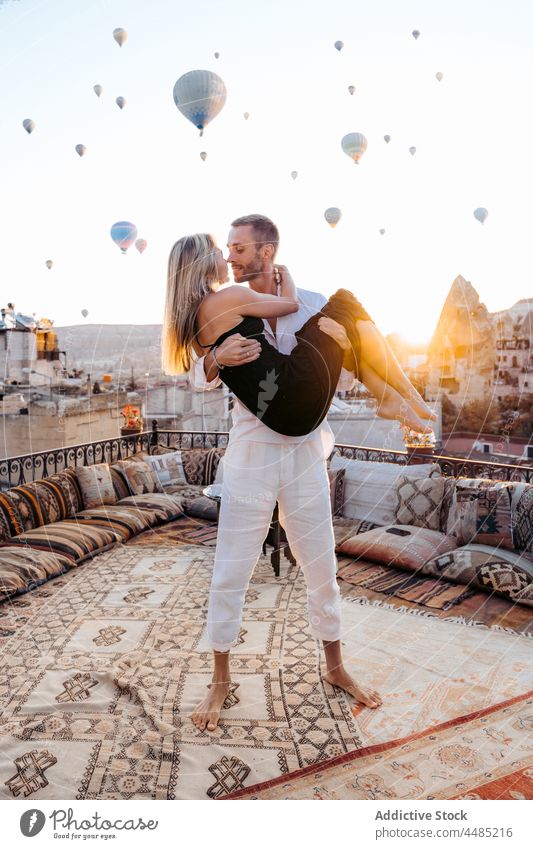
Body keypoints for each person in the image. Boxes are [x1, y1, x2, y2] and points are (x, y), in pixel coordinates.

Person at [162, 215, 435, 732]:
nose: (230, 259)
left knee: (320, 566)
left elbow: (347, 362)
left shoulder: (309, 303)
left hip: (306, 452)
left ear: (268, 252)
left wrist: (351, 355)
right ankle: (220, 680)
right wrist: (215, 358)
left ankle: (335, 666)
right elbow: (195, 375)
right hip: (250, 455)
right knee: (231, 572)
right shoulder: (229, 305)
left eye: (239, 249)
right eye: (225, 251)